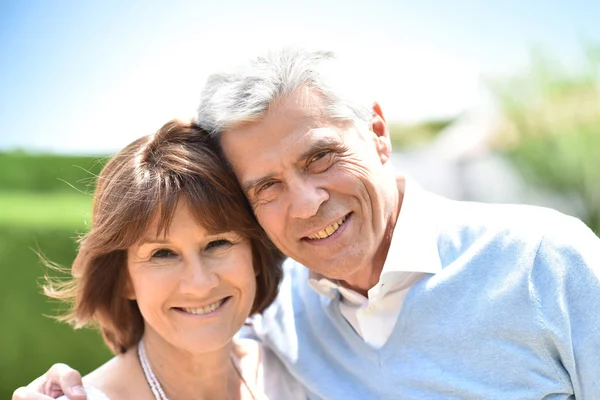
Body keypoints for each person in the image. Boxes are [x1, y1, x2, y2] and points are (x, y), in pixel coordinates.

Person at [14, 49, 600, 399]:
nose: (305, 202)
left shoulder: (547, 262)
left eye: (319, 157)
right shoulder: (285, 316)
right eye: (265, 186)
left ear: (377, 131)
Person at [16, 119, 304, 400]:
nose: (199, 284)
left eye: (218, 243)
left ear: (255, 253)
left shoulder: (295, 374)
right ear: (125, 278)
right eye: (162, 254)